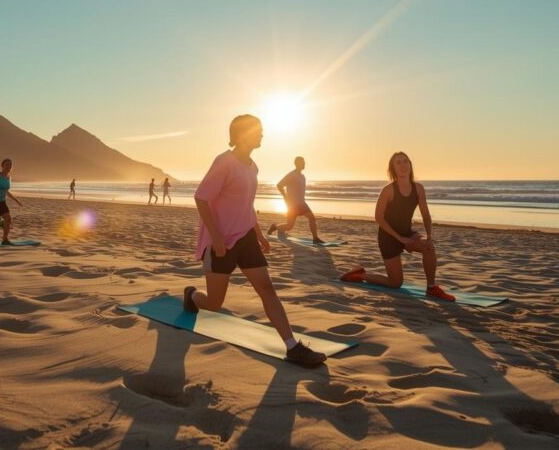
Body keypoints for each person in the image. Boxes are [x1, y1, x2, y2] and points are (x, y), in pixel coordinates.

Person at [183, 114, 327, 366]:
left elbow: (247, 206)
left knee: (267, 288)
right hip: (221, 241)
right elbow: (201, 198)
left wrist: (259, 235)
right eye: (258, 130)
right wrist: (215, 236)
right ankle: (192, 296)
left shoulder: (253, 167)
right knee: (214, 304)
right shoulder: (224, 162)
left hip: (245, 237)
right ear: (241, 135)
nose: (262, 135)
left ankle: (292, 347)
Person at [340, 152, 455, 301]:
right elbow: (378, 217)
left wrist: (429, 236)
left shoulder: (418, 188)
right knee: (395, 283)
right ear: (392, 168)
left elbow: (426, 215)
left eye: (405, 161)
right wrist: (399, 238)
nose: (403, 165)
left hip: (406, 232)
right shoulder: (388, 190)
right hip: (388, 237)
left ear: (410, 164)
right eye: (398, 163)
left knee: (429, 247)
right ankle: (359, 274)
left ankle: (431, 287)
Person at [267, 156, 325, 244]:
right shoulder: (292, 175)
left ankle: (315, 238)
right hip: (293, 205)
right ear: (298, 163)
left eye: (304, 162)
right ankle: (275, 227)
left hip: (302, 203)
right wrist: (285, 197)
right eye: (303, 162)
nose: (305, 163)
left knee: (312, 218)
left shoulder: (302, 176)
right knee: (289, 226)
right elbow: (279, 185)